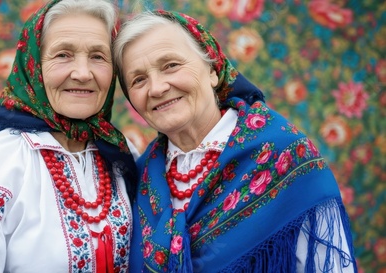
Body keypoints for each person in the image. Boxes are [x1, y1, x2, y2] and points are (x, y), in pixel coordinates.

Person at [113, 10, 357, 273]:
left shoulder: (284, 154)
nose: (157, 88)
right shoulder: (137, 178)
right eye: (138, 80)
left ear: (212, 71)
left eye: (171, 65)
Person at [0, 0, 139, 272]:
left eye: (97, 57)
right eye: (63, 55)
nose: (83, 73)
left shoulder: (119, 153)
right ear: (32, 64)